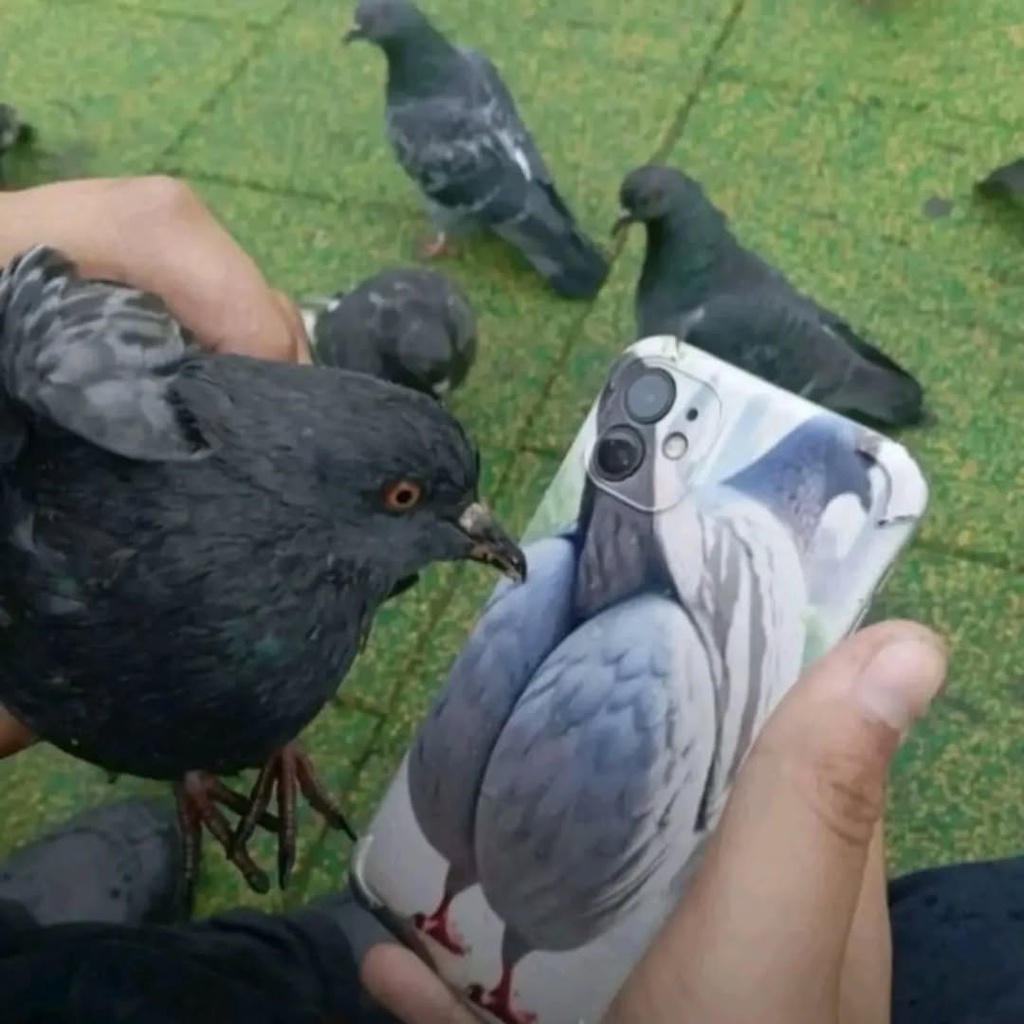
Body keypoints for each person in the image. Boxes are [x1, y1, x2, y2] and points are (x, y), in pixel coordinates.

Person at [0, 176, 1013, 1024]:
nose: (481, 531)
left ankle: (233, 941)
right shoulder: (90, 440)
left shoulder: (334, 557)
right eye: (412, 499)